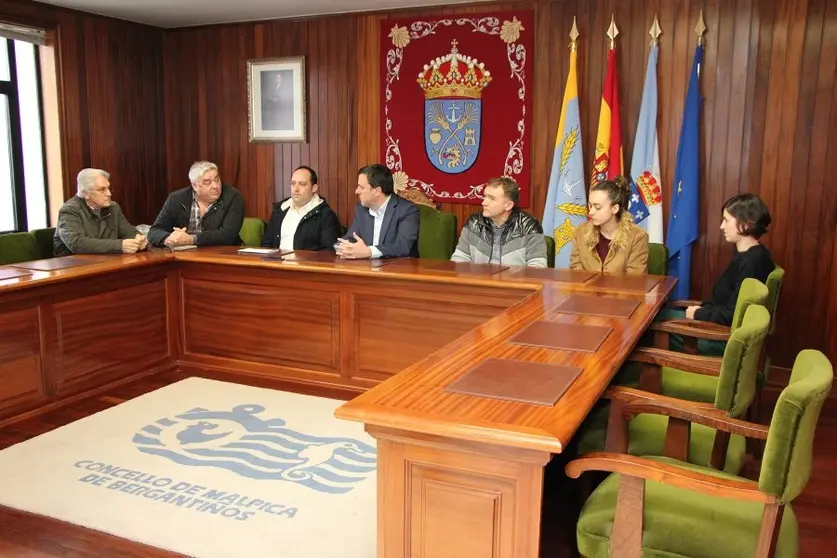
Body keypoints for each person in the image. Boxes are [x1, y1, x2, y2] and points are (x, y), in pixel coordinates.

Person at [682, 193, 775, 324]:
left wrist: (698, 313)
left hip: (717, 335)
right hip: (712, 318)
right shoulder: (750, 255)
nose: (721, 226)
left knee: (653, 322)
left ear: (746, 223)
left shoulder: (752, 262)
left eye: (726, 220)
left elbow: (733, 315)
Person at [451, 176, 546, 267]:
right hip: (479, 281)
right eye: (485, 196)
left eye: (492, 198)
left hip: (514, 283)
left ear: (508, 206)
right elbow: (459, 259)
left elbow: (537, 268)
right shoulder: (474, 222)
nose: (484, 203)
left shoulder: (529, 226)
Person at [148, 161, 244, 248]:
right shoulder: (176, 199)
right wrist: (168, 238)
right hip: (185, 257)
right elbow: (154, 231)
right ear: (194, 186)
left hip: (222, 256)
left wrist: (191, 239)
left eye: (217, 179)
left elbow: (227, 236)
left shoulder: (233, 197)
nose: (215, 186)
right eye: (208, 182)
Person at [54, 168, 147, 257]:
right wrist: (120, 246)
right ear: (86, 193)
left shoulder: (113, 208)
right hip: (74, 266)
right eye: (102, 190)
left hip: (106, 262)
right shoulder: (69, 210)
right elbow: (77, 244)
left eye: (108, 188)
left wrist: (139, 239)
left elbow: (129, 232)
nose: (109, 194)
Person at [336, 164, 419, 259]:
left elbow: (403, 246)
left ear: (377, 191)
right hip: (367, 268)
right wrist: (342, 246)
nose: (356, 191)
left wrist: (370, 251)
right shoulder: (361, 209)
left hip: (399, 268)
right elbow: (350, 237)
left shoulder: (407, 210)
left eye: (361, 187)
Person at [570, 176, 649, 274]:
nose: (591, 212)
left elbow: (634, 280)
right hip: (586, 289)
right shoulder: (580, 232)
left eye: (597, 207)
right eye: (590, 206)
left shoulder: (638, 237)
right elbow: (576, 273)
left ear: (614, 209)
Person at [262, 165, 340, 251]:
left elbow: (328, 252)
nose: (296, 189)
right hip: (276, 263)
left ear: (314, 188)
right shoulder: (279, 211)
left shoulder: (326, 215)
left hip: (306, 264)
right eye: (293, 183)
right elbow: (266, 245)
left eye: (302, 184)